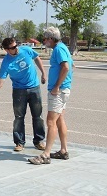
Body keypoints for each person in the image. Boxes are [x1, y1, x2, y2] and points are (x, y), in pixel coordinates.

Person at [0, 37, 46, 151]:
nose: (16, 48)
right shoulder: (6, 63)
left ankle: (39, 140)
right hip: (19, 91)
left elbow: (36, 57)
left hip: (34, 88)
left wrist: (43, 73)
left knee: (38, 116)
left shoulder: (26, 50)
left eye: (16, 45)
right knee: (19, 117)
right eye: (13, 48)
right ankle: (19, 142)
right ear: (7, 50)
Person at [28, 26, 74, 165]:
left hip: (58, 91)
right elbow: (71, 65)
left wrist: (57, 86)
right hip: (64, 89)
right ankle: (63, 150)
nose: (44, 41)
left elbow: (66, 67)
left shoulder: (59, 49)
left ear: (51, 38)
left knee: (51, 121)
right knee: (60, 119)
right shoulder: (62, 48)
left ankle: (45, 154)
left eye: (45, 38)